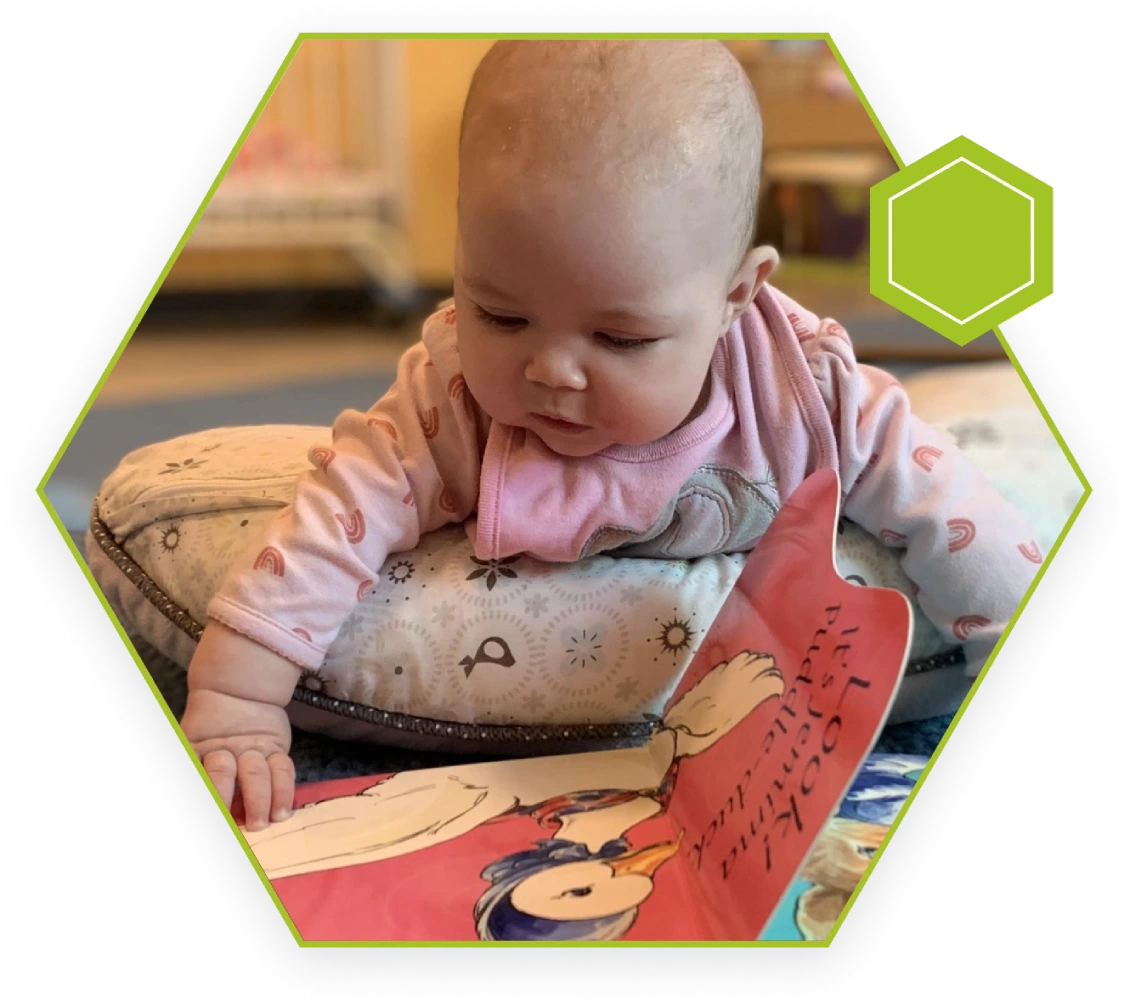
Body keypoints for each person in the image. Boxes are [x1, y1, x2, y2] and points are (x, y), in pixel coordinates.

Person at [180, 40, 1039, 831]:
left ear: (736, 297)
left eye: (621, 339)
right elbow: (335, 516)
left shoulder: (808, 391)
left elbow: (951, 509)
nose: (552, 371)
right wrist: (238, 701)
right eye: (501, 313)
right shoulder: (452, 399)